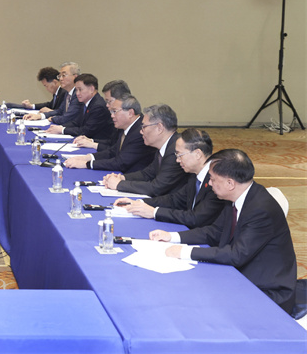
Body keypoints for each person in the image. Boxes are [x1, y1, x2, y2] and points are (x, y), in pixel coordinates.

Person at [150, 149, 297, 313]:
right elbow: (214, 232)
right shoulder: (235, 198)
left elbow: (236, 255)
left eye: (212, 179)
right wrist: (172, 236)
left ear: (230, 183)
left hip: (265, 290)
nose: (209, 183)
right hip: (241, 275)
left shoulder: (261, 210)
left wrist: (185, 252)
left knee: (195, 301)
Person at [115, 128, 227, 228]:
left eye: (180, 155)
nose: (177, 160)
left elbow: (195, 218)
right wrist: (139, 203)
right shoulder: (195, 175)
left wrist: (154, 212)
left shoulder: (217, 181)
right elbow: (175, 200)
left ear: (198, 154)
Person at [102, 104, 188, 196]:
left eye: (144, 127)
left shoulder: (175, 150)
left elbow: (156, 187)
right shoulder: (164, 146)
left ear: (159, 128)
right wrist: (122, 177)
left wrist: (119, 184)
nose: (140, 131)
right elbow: (147, 174)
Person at [64, 95, 155, 173]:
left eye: (114, 111)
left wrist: (86, 164)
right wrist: (87, 157)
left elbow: (120, 163)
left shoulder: (140, 132)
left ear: (130, 113)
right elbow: (112, 151)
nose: (111, 115)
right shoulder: (127, 127)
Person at [44, 73, 113, 141]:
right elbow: (76, 122)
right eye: (76, 90)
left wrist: (62, 130)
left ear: (92, 89)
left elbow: (86, 131)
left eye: (80, 89)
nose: (77, 93)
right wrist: (61, 127)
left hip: (97, 143)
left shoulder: (98, 106)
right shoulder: (85, 102)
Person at [72, 79, 132, 150]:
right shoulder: (119, 118)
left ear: (122, 99)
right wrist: (91, 141)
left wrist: (93, 145)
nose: (106, 105)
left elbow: (116, 152)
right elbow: (112, 142)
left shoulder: (134, 127)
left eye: (109, 101)